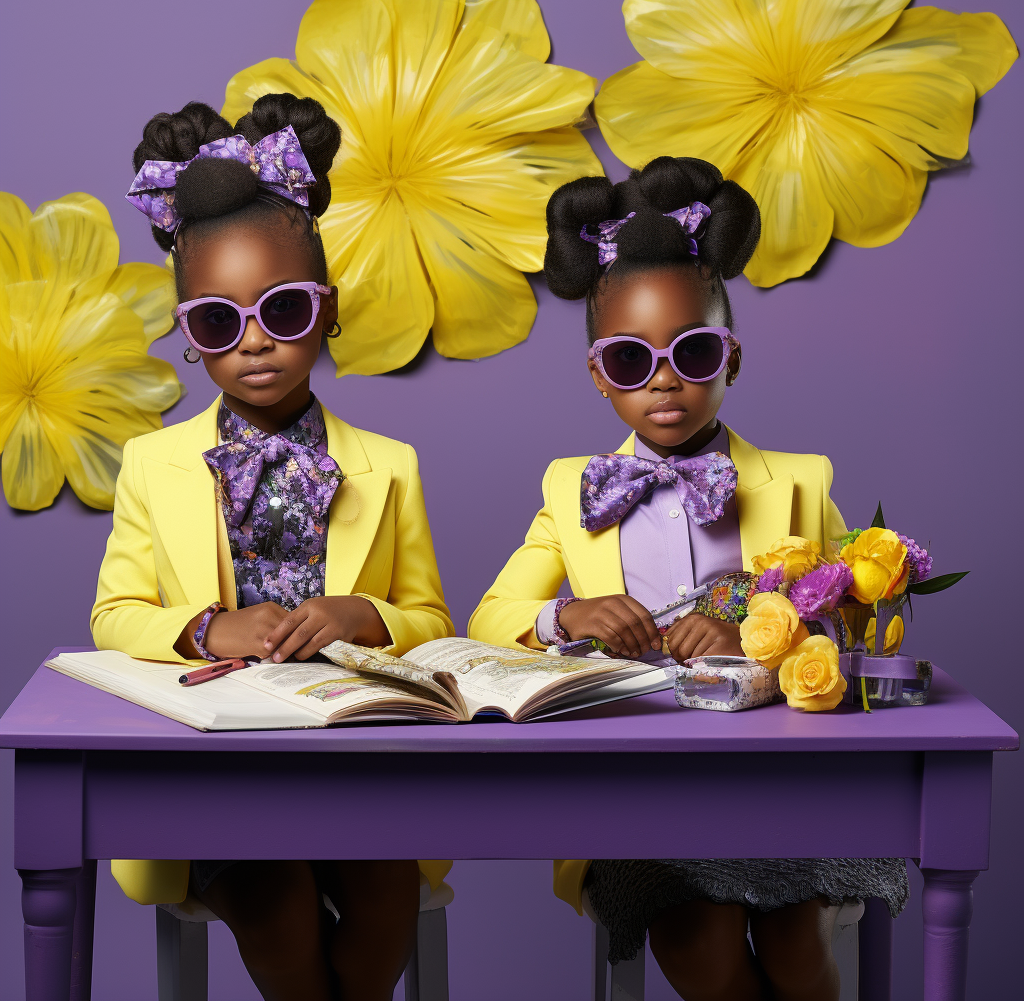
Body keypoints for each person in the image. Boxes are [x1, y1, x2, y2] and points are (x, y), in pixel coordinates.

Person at [468, 157, 906, 1001]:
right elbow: (490, 618)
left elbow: (865, 627)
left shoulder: (797, 481)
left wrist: (769, 639)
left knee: (794, 935)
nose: (664, 379)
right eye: (632, 361)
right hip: (632, 794)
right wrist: (571, 615)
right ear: (599, 375)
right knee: (697, 938)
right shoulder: (571, 489)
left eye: (692, 351)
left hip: (778, 786)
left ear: (731, 360)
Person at [92, 93, 454, 1001]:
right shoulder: (151, 462)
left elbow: (435, 622)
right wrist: (214, 629)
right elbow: (114, 616)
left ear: (326, 312)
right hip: (216, 774)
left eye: (282, 310)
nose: (254, 342)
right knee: (279, 911)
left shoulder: (390, 464)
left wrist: (359, 614)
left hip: (359, 770)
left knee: (385, 905)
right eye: (218, 321)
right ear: (188, 339)